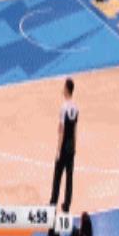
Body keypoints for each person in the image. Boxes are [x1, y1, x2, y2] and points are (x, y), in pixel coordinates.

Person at [50, 78, 78, 213]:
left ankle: (53, 203)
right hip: (71, 146)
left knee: (57, 176)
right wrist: (75, 147)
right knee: (69, 178)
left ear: (67, 89)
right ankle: (66, 205)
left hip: (64, 147)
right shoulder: (76, 108)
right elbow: (75, 129)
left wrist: (58, 150)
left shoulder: (63, 108)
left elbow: (61, 130)